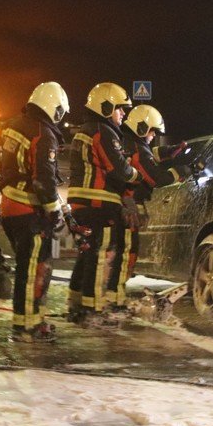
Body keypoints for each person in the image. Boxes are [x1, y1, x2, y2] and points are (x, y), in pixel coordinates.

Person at [0, 81, 70, 342]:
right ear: (54, 108)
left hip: (9, 207)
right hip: (29, 211)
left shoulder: (14, 124)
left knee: (30, 268)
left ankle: (33, 320)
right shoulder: (43, 133)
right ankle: (26, 327)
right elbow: (44, 179)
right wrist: (55, 211)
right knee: (32, 271)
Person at [67, 81, 139, 326]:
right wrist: (135, 175)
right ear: (106, 107)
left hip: (81, 203)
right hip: (99, 203)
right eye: (120, 109)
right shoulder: (103, 131)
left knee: (86, 253)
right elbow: (119, 168)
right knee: (99, 254)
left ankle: (76, 303)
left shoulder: (84, 130)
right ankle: (93, 309)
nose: (123, 114)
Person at [107, 104, 192, 308]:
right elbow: (157, 177)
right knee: (127, 252)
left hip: (122, 205)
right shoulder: (137, 149)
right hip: (128, 206)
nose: (154, 135)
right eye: (152, 131)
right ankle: (113, 300)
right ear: (142, 128)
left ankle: (111, 295)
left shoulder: (130, 143)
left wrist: (172, 150)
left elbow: (151, 153)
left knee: (121, 251)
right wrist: (182, 171)